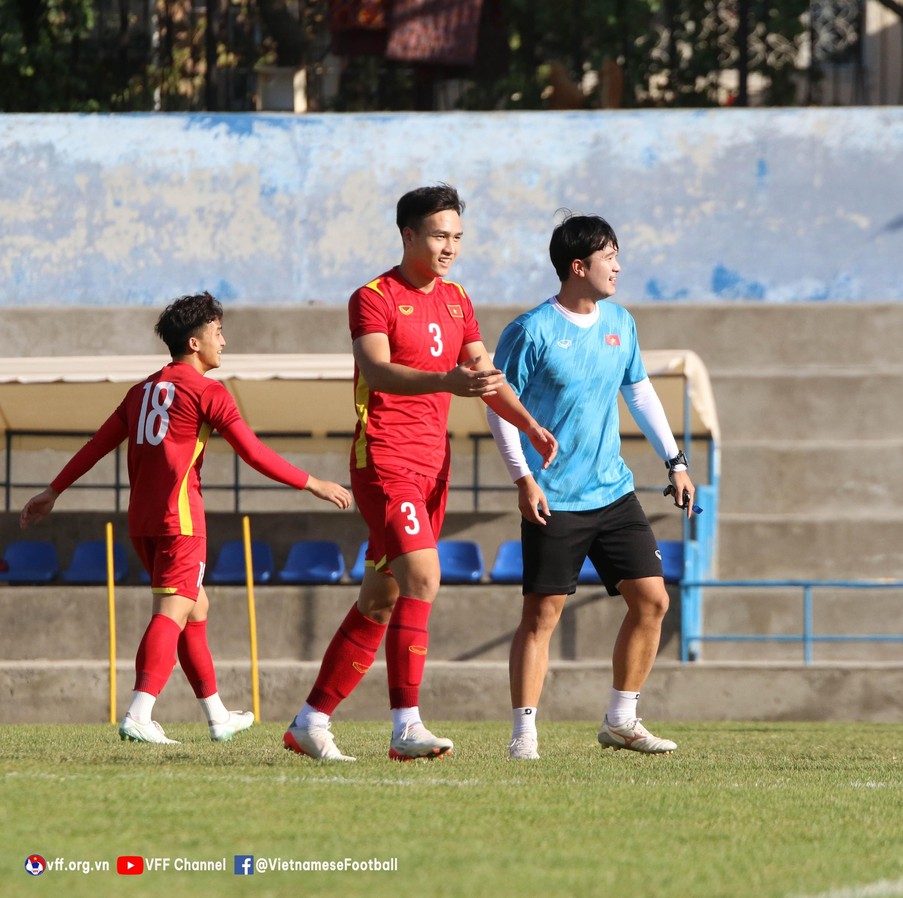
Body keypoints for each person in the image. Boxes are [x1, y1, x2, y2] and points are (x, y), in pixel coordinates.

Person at [283, 184, 557, 763]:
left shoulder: (457, 299)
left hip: (433, 466)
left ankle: (311, 720)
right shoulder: (373, 296)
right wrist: (443, 381)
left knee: (380, 599)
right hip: (385, 460)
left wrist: (529, 426)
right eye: (438, 235)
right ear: (408, 235)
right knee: (425, 579)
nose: (449, 246)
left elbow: (484, 374)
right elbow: (377, 372)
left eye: (457, 236)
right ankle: (406, 725)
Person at [20, 292, 353, 744]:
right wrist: (315, 483)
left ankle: (217, 716)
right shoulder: (207, 391)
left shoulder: (141, 391)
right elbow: (252, 453)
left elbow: (97, 444)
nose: (225, 341)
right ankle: (140, 710)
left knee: (196, 608)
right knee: (172, 612)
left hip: (143, 521)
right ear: (195, 343)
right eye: (218, 332)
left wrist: (54, 490)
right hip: (181, 522)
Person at [486, 212, 697, 760]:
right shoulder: (529, 330)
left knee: (652, 600)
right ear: (578, 266)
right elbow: (498, 408)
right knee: (542, 616)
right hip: (553, 497)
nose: (618, 266)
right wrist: (523, 476)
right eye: (609, 257)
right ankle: (524, 735)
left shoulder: (620, 322)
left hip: (614, 492)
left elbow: (641, 393)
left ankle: (621, 720)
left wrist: (674, 460)